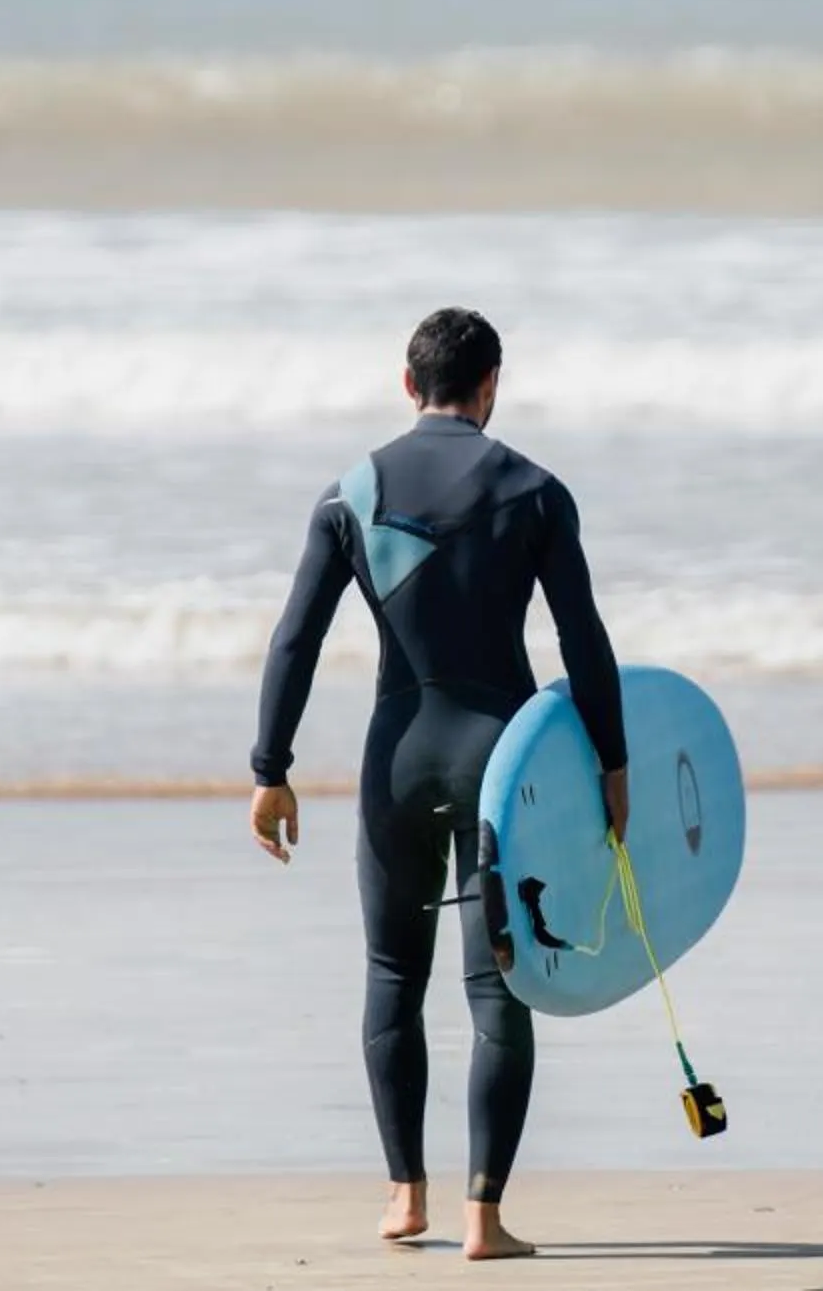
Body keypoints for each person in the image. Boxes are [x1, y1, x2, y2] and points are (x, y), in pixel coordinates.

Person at [249, 307, 629, 1262]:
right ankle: (484, 1219)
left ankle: (402, 1196)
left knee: (392, 974)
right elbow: (583, 639)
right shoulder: (536, 491)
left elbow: (296, 638)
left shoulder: (350, 493)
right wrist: (613, 761)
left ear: (406, 385)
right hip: (504, 762)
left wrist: (271, 768)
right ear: (492, 384)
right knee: (499, 985)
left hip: (397, 755)